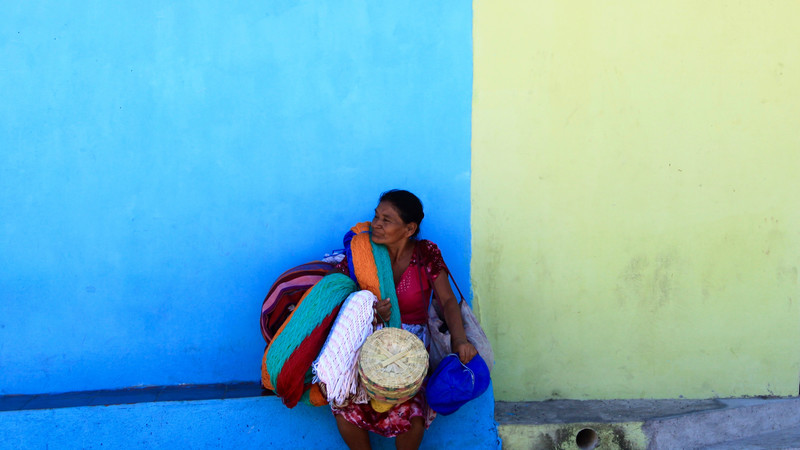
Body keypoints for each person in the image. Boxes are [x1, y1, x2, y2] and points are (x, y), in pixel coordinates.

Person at [332, 189, 477, 450]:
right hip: (370, 345)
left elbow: (447, 300)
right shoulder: (363, 252)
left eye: (386, 220)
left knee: (412, 413)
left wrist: (460, 340)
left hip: (412, 350)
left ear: (409, 228)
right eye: (376, 216)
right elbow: (342, 298)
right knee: (345, 406)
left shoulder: (425, 253)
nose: (376, 224)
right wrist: (369, 312)